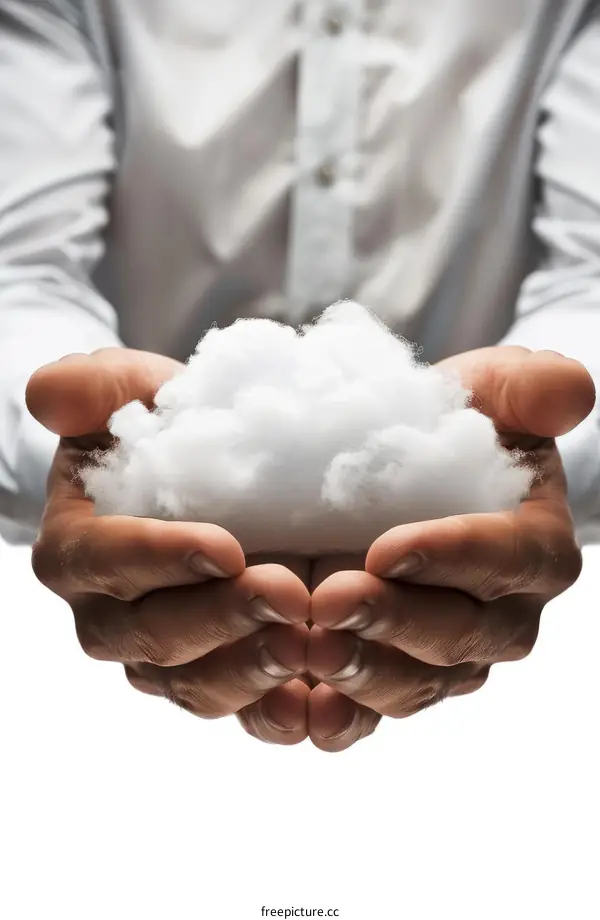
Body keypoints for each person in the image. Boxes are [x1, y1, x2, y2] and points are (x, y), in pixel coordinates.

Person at [1, 0, 599, 753]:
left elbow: (595, 274)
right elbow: (18, 266)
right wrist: (77, 444)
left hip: (518, 706)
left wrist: (531, 451)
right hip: (86, 697)